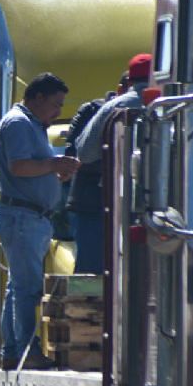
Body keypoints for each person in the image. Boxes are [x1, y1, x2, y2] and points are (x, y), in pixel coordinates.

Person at [0, 72, 81, 370]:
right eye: (56, 104)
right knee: (27, 288)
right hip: (23, 215)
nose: (58, 111)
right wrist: (54, 164)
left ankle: (12, 351)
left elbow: (32, 168)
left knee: (18, 286)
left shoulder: (31, 124)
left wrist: (55, 174)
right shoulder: (19, 124)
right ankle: (25, 352)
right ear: (38, 97)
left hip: (29, 215)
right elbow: (19, 166)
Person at [68, 53, 152, 274]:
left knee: (93, 275)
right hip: (160, 207)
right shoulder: (173, 103)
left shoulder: (112, 107)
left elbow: (84, 153)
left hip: (110, 204)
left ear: (129, 80)